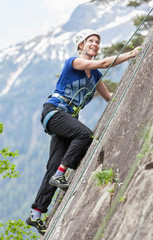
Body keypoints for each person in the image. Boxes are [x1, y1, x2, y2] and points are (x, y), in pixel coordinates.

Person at [26, 29, 140, 235]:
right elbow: (104, 63)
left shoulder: (94, 75)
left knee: (53, 166)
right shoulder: (74, 62)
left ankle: (36, 214)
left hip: (66, 119)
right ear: (81, 46)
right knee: (85, 135)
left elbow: (109, 96)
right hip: (54, 111)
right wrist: (131, 54)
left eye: (97, 42)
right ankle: (61, 174)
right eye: (91, 41)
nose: (95, 44)